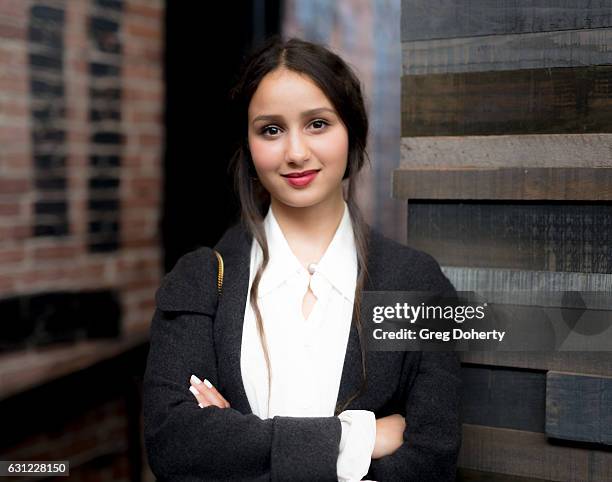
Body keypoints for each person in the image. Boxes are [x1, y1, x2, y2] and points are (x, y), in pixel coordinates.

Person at [143, 36, 461, 481]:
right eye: (271, 129)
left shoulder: (415, 283)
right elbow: (175, 444)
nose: (295, 152)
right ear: (249, 147)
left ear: (352, 132)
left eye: (317, 124)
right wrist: (359, 438)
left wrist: (240, 440)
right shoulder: (200, 280)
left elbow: (432, 457)